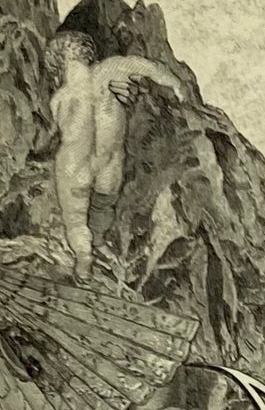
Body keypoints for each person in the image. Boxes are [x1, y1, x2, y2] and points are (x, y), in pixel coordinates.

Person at [46, 30, 190, 280]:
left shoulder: (59, 98)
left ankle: (84, 257)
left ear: (57, 65)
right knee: (104, 202)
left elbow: (60, 131)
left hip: (73, 163)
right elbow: (144, 66)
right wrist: (174, 83)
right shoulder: (109, 70)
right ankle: (98, 240)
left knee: (75, 218)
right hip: (109, 161)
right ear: (88, 54)